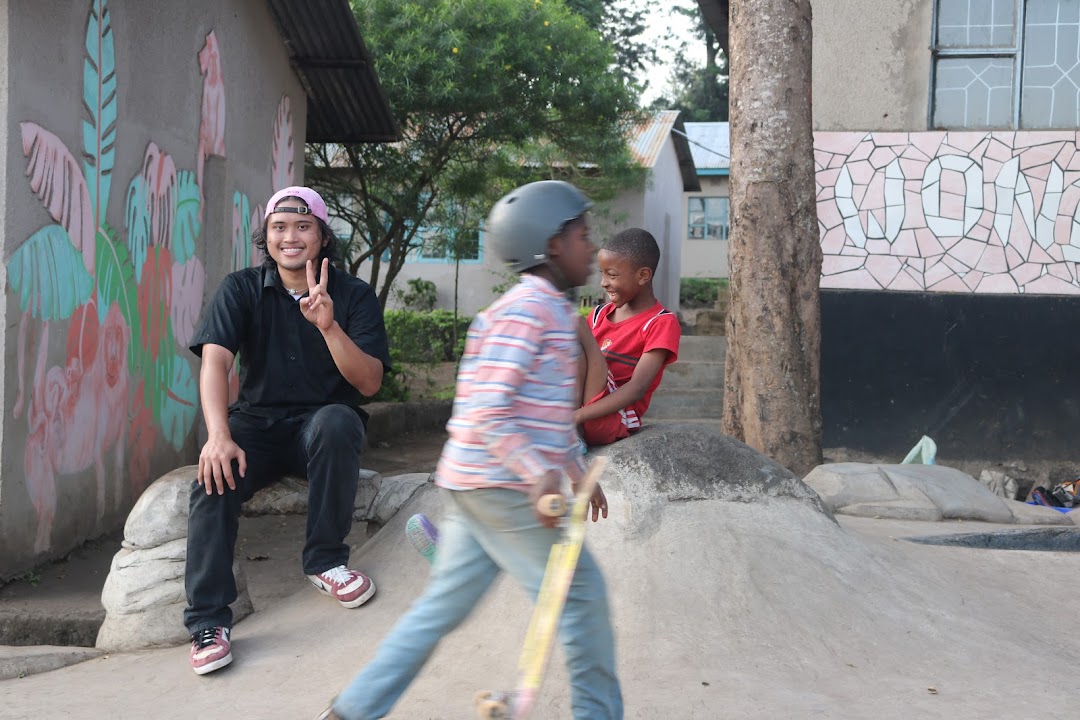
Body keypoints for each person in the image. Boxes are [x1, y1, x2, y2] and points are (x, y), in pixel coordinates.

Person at [321, 181, 623, 720]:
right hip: (500, 486)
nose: (591, 246)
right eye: (582, 234)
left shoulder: (552, 311)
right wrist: (538, 475)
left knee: (439, 609)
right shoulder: (526, 312)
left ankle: (351, 711)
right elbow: (486, 411)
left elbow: (546, 417)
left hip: (478, 483)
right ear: (552, 244)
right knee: (582, 603)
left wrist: (576, 470)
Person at [184, 186, 391, 675]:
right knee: (212, 480)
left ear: (322, 236)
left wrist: (328, 326)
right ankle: (208, 623)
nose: (290, 237)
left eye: (302, 227)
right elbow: (215, 363)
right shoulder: (241, 288)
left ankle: (325, 562)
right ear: (267, 237)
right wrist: (218, 434)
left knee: (339, 420)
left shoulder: (354, 295)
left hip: (321, 429)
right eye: (279, 228)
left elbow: (370, 382)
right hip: (256, 424)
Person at [573, 228, 681, 447]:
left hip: (614, 418)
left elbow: (637, 388)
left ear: (643, 275)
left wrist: (576, 417)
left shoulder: (660, 322)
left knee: (575, 331)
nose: (603, 283)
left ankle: (570, 429)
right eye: (602, 274)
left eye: (611, 275)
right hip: (581, 408)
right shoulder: (599, 314)